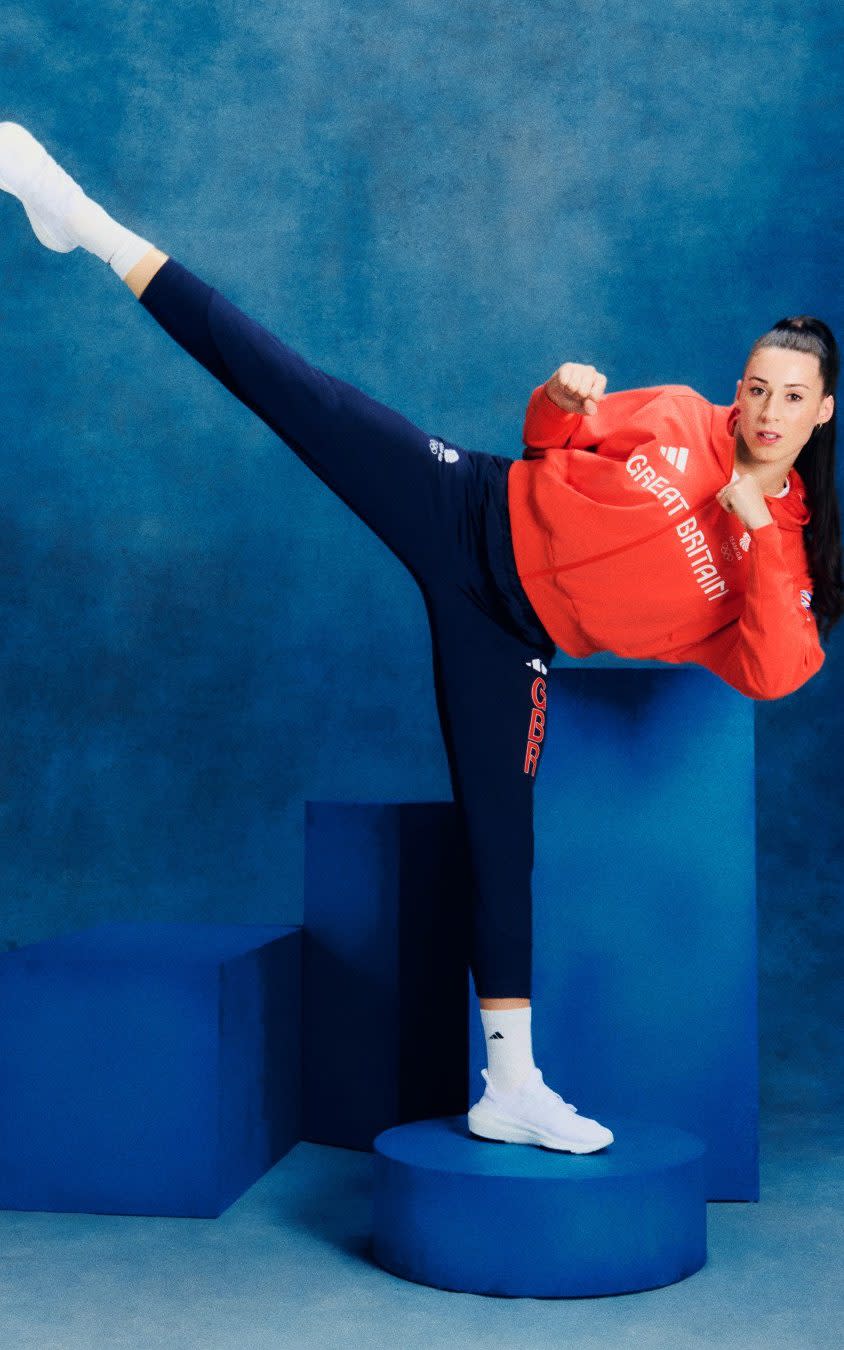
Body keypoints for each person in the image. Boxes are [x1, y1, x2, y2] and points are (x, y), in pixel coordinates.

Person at [1, 123, 838, 1157]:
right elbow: (550, 440)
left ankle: (512, 1086)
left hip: (511, 636)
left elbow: (771, 667)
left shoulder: (784, 554)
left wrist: (754, 525)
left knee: (503, 847)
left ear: (821, 413)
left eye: (787, 395)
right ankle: (74, 215)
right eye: (755, 384)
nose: (760, 406)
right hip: (466, 503)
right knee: (290, 387)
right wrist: (559, 398)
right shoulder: (678, 415)